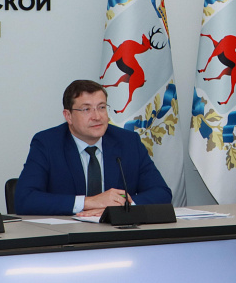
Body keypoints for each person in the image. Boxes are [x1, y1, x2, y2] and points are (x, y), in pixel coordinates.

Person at [14, 79, 171, 215]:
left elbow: (161, 193)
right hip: (68, 235)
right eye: (86, 109)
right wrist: (89, 202)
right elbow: (24, 199)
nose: (97, 116)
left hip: (117, 233)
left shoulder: (128, 142)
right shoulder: (47, 143)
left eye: (101, 107)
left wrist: (120, 205)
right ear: (68, 116)